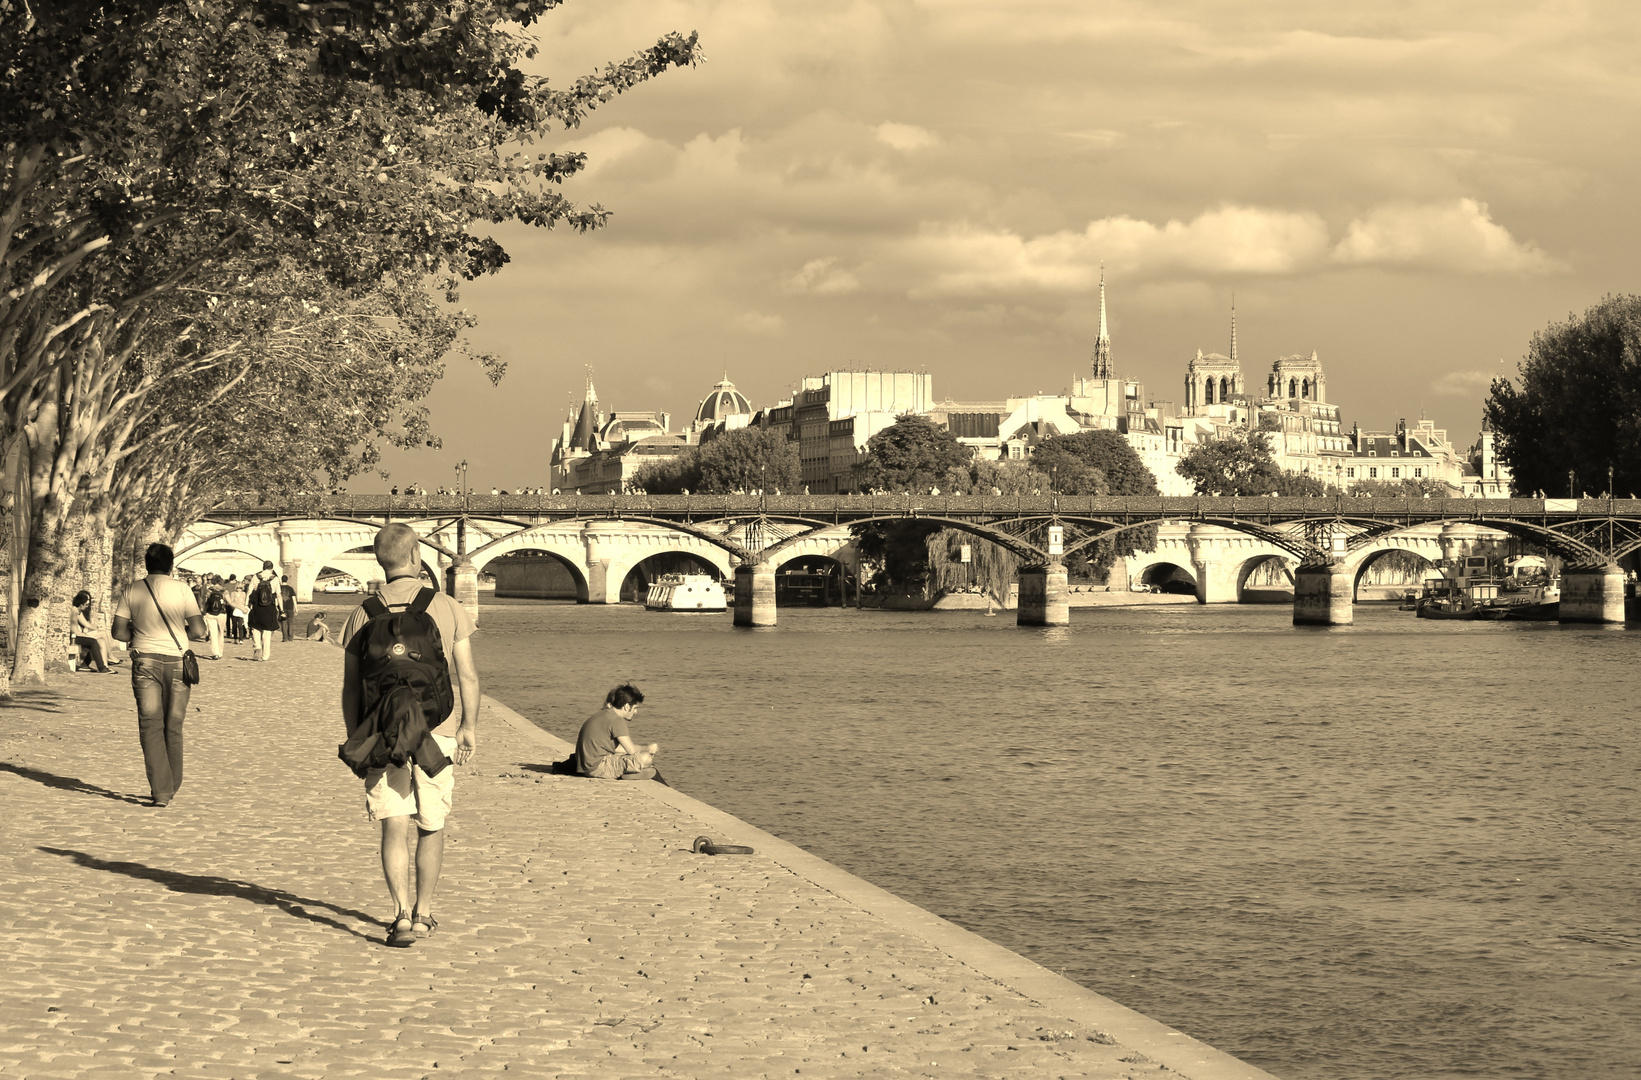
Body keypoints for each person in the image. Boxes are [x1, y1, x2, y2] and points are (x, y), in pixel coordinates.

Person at [340, 523, 479, 948]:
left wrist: (356, 738)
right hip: (433, 733)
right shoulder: (447, 606)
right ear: (417, 557)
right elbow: (467, 675)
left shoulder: (362, 613)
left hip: (381, 732)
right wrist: (469, 727)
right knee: (431, 824)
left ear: (380, 562)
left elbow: (350, 687)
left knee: (393, 824)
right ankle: (424, 913)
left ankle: (399, 915)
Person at [111, 543, 209, 807]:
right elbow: (199, 631)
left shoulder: (132, 589)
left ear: (146, 564)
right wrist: (177, 635)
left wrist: (142, 636)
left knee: (150, 725)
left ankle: (161, 791)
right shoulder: (183, 589)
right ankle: (172, 785)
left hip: (145, 662)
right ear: (171, 565)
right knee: (174, 726)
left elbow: (118, 633)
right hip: (178, 662)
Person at [575, 684, 659, 780]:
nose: (635, 712)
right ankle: (628, 774)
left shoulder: (602, 714)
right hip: (597, 768)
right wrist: (647, 748)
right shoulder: (617, 720)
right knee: (646, 758)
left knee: (626, 755)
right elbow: (631, 750)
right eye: (635, 708)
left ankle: (630, 770)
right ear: (627, 706)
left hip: (585, 766)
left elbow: (616, 748)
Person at [71, 590, 117, 673]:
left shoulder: (78, 611)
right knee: (94, 641)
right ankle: (106, 661)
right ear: (81, 604)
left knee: (102, 640)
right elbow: (72, 630)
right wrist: (85, 634)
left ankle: (104, 667)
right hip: (75, 636)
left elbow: (87, 624)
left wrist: (95, 630)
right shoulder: (73, 611)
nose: (87, 606)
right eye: (87, 604)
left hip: (80, 634)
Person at [247, 559, 282, 661]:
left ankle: (257, 646)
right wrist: (282, 609)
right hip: (269, 608)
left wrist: (246, 604)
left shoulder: (256, 577)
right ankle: (265, 656)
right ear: (272, 568)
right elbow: (279, 595)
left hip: (257, 607)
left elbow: (249, 591)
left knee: (255, 627)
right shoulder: (274, 578)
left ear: (263, 567)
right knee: (267, 633)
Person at [224, 575, 248, 643]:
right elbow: (231, 602)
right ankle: (235, 638)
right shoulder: (233, 593)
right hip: (234, 610)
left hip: (241, 610)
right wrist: (235, 607)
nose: (239, 589)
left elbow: (245, 601)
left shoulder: (244, 594)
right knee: (234, 625)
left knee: (240, 625)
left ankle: (240, 639)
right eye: (237, 587)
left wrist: (244, 608)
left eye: (240, 587)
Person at [279, 575, 297, 642]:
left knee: (283, 622)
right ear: (287, 580)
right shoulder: (290, 588)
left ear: (281, 580)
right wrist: (296, 608)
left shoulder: (279, 588)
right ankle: (291, 637)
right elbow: (294, 599)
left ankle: (285, 638)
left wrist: (276, 607)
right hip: (290, 607)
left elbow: (276, 599)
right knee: (290, 622)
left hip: (282, 608)